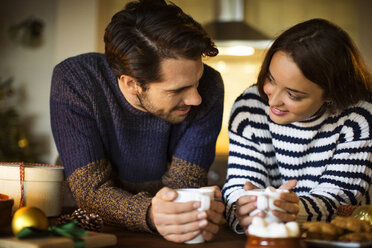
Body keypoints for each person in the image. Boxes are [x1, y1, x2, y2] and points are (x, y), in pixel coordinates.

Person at [50, 0, 225, 243]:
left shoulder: (211, 87)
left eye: (197, 81)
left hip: (168, 234)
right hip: (83, 230)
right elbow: (90, 191)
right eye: (178, 90)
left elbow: (183, 188)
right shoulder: (75, 81)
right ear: (131, 84)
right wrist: (150, 213)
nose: (196, 98)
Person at [222, 18, 372, 234]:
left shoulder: (359, 119)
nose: (272, 102)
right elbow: (240, 184)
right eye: (271, 79)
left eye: (292, 94)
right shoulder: (249, 107)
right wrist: (243, 208)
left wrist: (292, 210)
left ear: (330, 94)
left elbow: (342, 199)